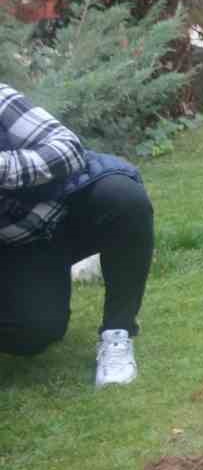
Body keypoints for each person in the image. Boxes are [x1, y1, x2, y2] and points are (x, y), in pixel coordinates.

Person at [1, 83, 152, 387]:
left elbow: (68, 148)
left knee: (124, 200)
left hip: (67, 205)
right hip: (18, 244)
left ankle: (117, 333)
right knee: (34, 332)